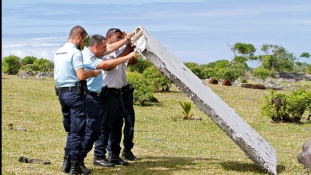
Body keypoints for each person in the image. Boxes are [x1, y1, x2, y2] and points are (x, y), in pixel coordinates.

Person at [80, 34, 137, 169]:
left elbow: (119, 54)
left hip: (119, 93)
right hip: (106, 94)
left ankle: (114, 155)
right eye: (118, 37)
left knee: (118, 125)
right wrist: (127, 52)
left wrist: (128, 41)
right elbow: (107, 66)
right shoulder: (96, 54)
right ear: (109, 37)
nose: (119, 40)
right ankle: (99, 156)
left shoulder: (103, 51)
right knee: (104, 126)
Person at [54, 25, 101, 175]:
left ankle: (66, 163)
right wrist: (92, 73)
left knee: (71, 130)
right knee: (78, 131)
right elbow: (81, 76)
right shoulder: (75, 53)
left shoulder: (58, 52)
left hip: (62, 94)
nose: (83, 45)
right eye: (84, 40)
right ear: (78, 36)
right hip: (75, 94)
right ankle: (75, 166)